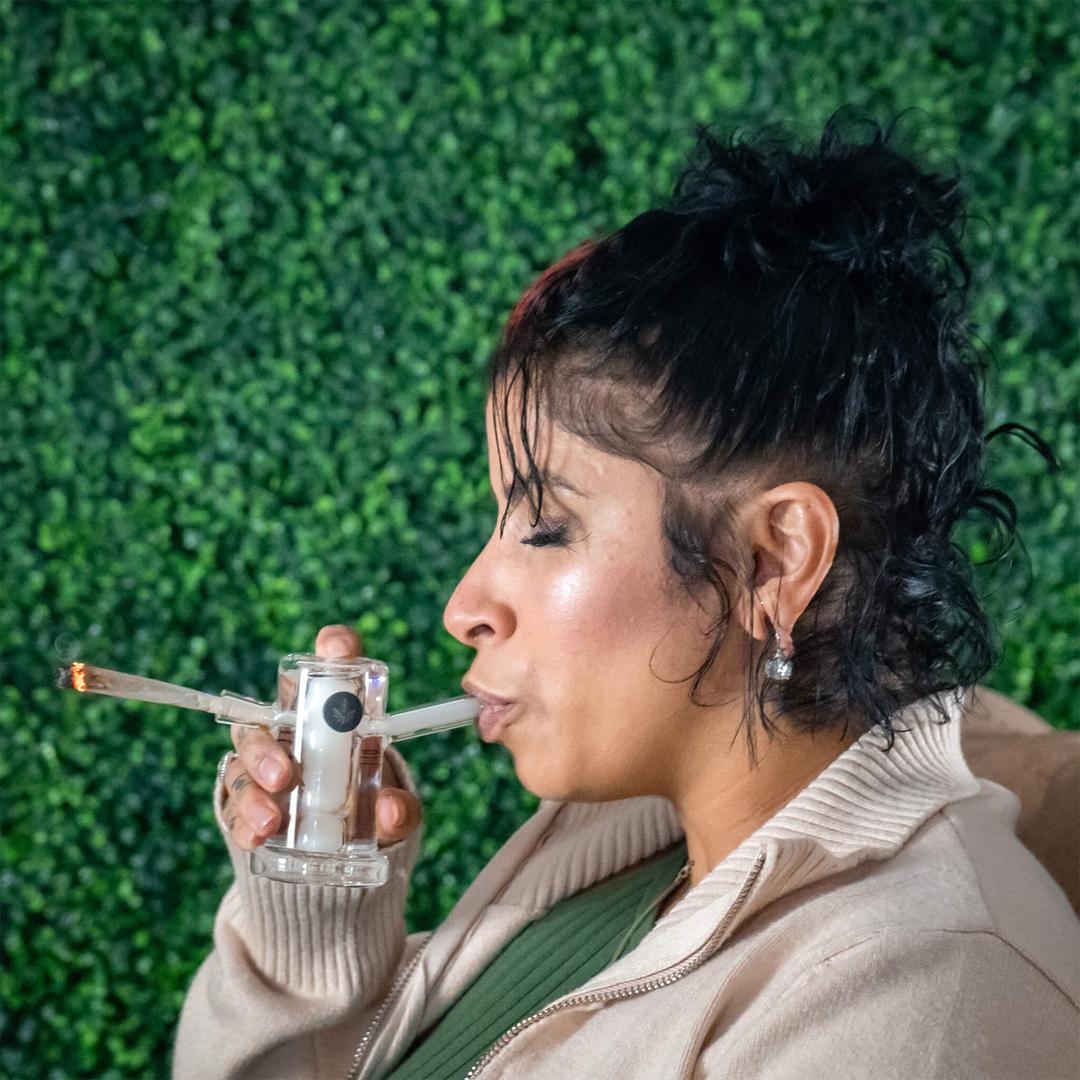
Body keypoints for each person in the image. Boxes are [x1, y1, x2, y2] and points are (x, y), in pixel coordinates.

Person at [172, 112, 1079, 1079]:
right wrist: (312, 915)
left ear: (776, 560)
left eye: (546, 529)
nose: (464, 605)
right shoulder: (640, 842)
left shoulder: (920, 1008)